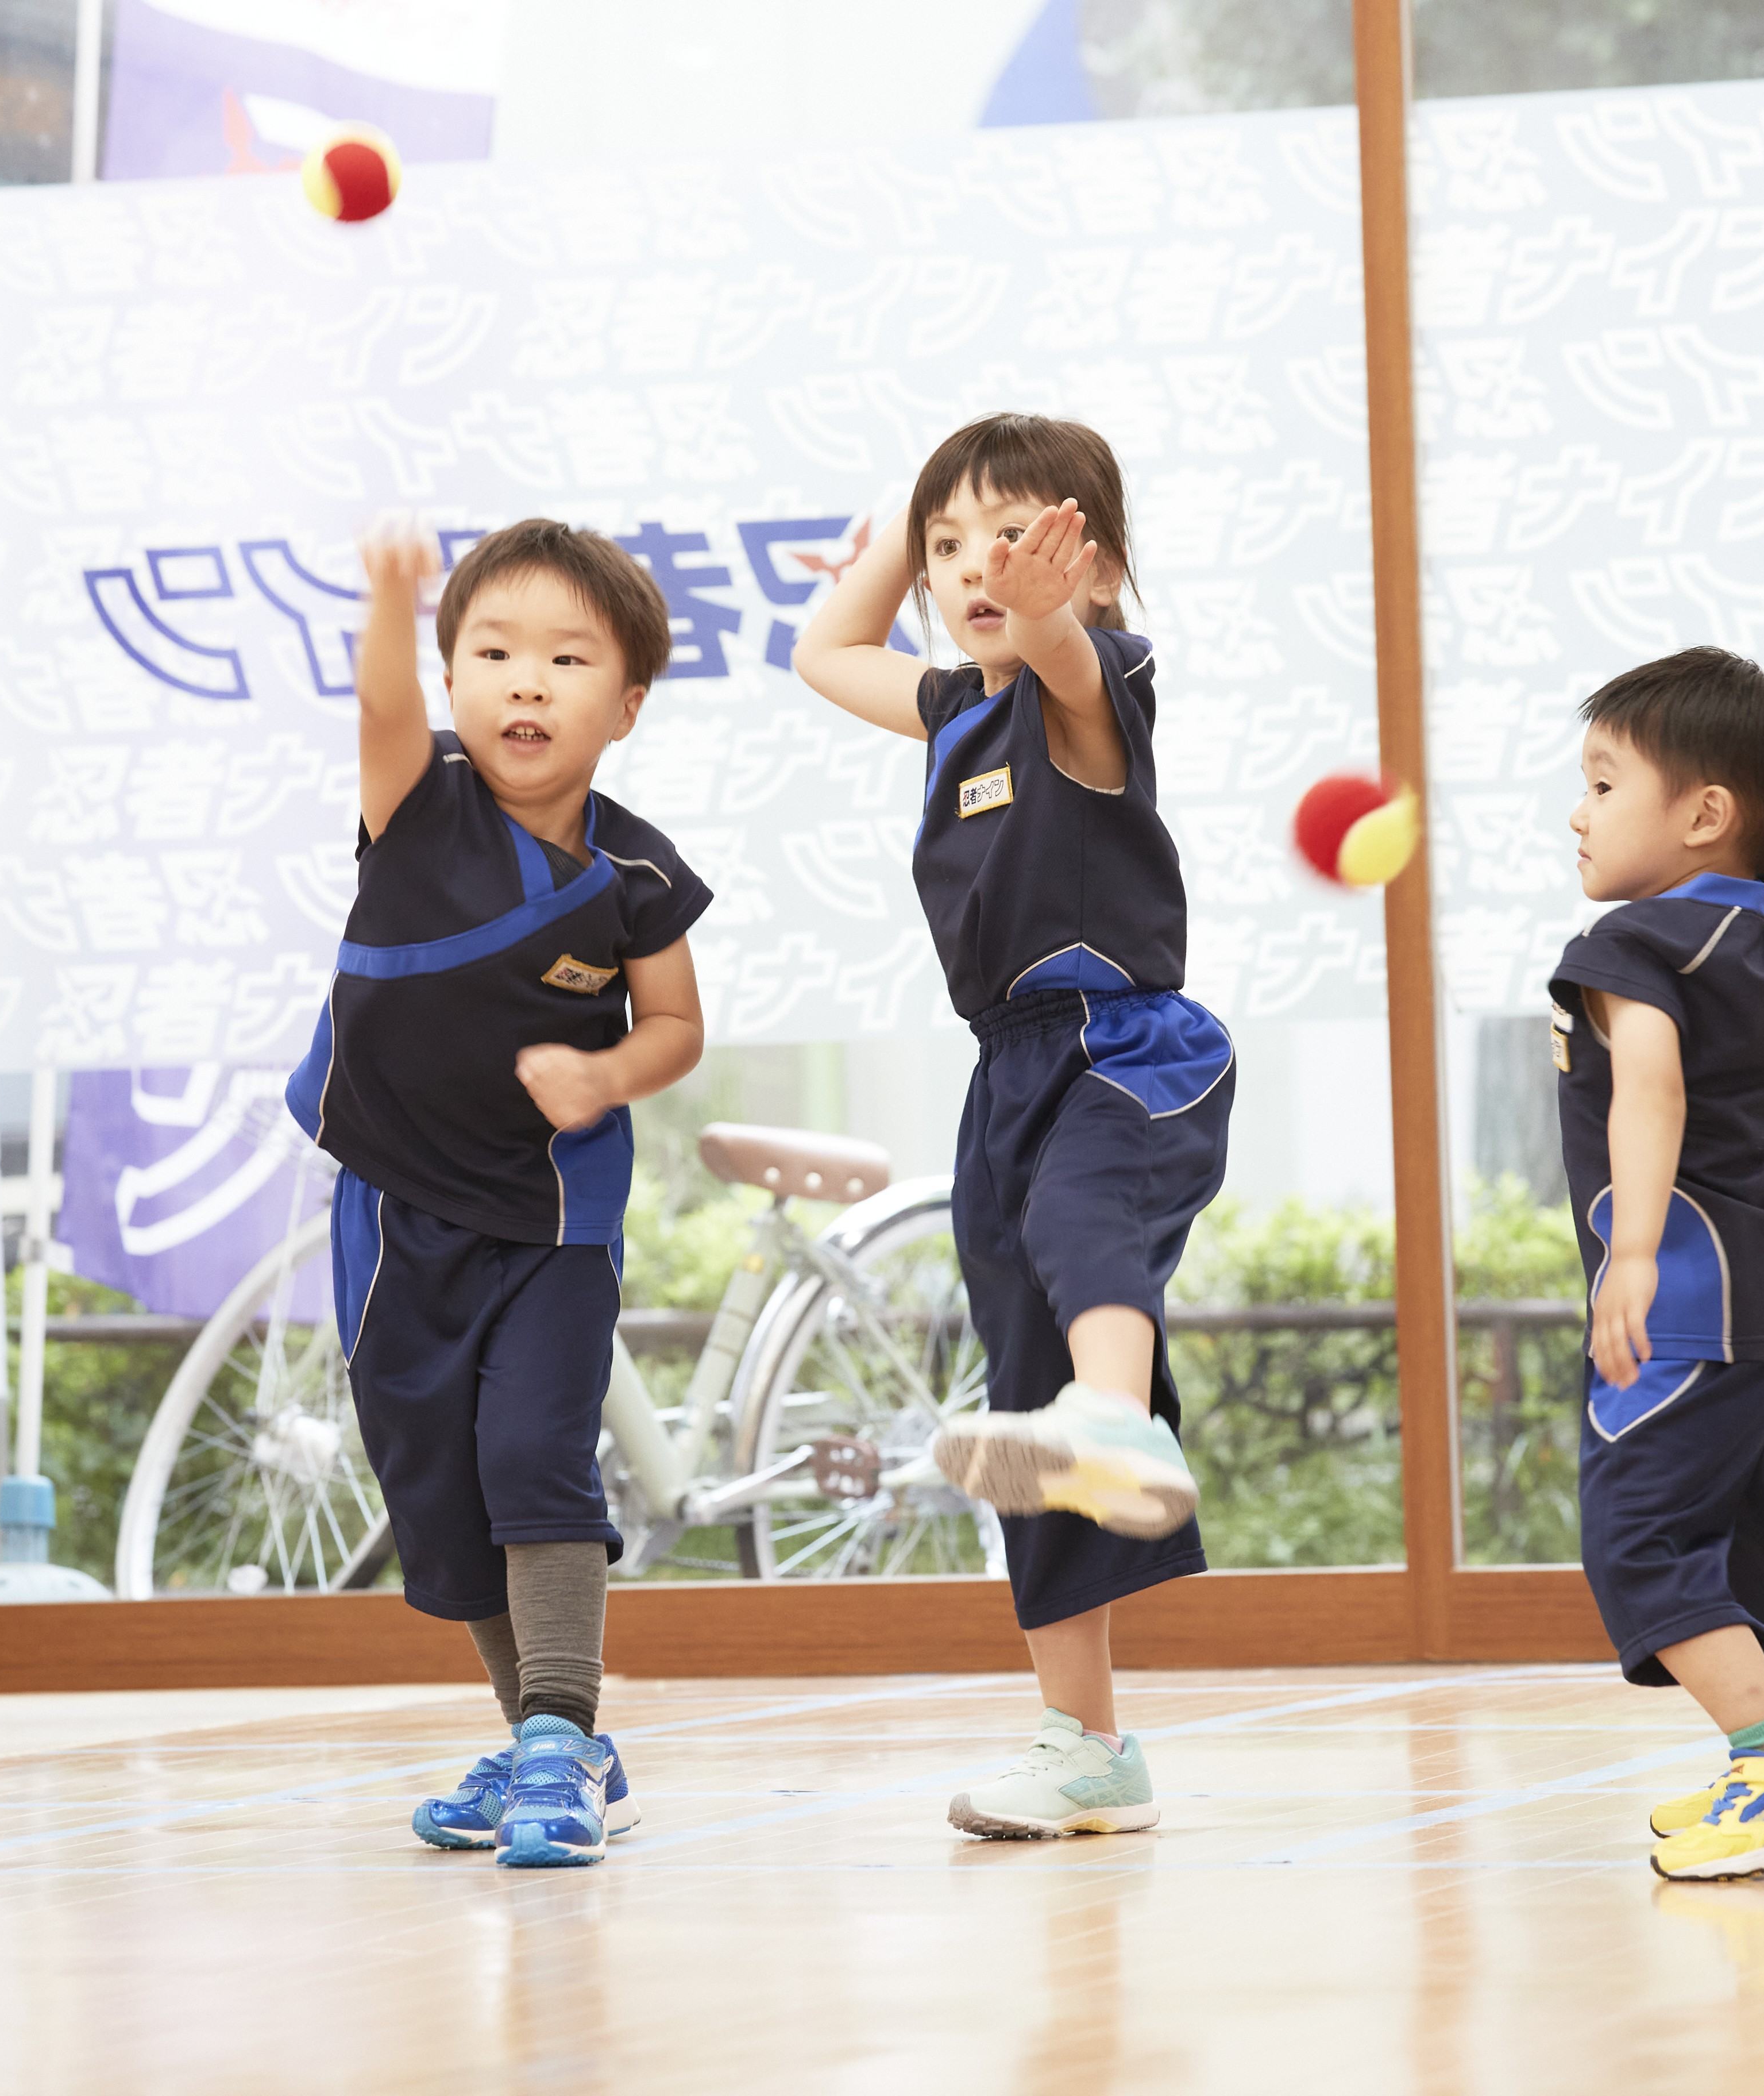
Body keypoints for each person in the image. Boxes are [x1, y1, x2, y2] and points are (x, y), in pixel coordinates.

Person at [795, 414, 1230, 1839]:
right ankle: (1083, 1742)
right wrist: (894, 515)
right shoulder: (950, 710)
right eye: (945, 548)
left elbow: (1057, 652)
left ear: (1089, 570)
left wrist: (1046, 619)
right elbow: (821, 655)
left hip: (1122, 1047)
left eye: (1011, 536)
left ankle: (1120, 1420)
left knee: (1078, 1230)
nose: (973, 566)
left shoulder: (1089, 679)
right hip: (1009, 1076)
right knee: (1023, 1410)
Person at [288, 518, 709, 1868]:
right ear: (452, 679)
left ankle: (554, 1740)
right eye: (494, 653)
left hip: (549, 1224)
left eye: (567, 659)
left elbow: (676, 1028)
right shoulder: (414, 797)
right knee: (443, 1493)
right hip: (390, 1213)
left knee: (533, 1461)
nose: (526, 683)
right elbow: (378, 698)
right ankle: (554, 1745)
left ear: (626, 705)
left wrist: (608, 1079)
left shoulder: (638, 876)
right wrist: (390, 596)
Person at [1551, 645, 1764, 1881]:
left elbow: (1644, 1088)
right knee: (1746, 1540)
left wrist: (1630, 1257)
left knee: (1640, 1535)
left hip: (1685, 1297)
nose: (1576, 811)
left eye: (1601, 784)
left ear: (1701, 815)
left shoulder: (1633, 946)